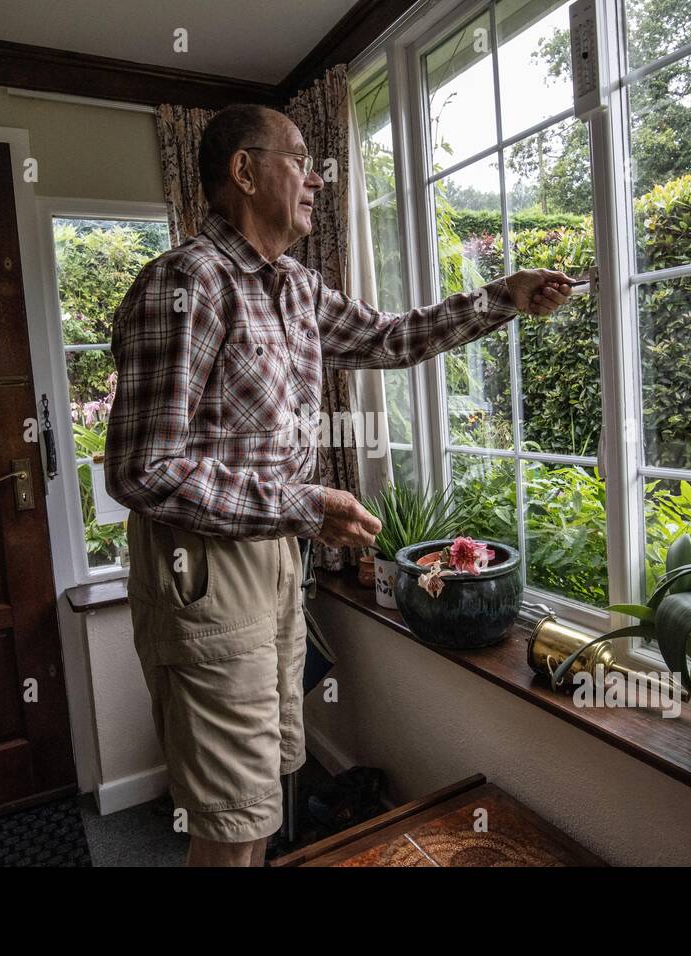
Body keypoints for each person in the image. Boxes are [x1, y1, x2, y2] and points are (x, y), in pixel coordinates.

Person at [105, 103, 574, 866]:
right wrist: (300, 506)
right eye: (299, 158)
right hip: (209, 572)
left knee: (265, 792)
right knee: (233, 822)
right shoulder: (185, 283)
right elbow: (142, 468)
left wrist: (502, 297)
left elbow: (390, 337)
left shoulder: (295, 286)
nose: (317, 177)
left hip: (276, 559)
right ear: (244, 171)